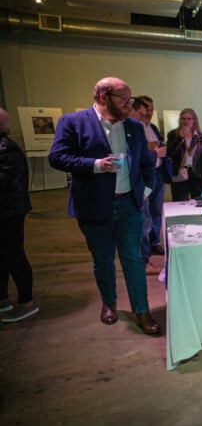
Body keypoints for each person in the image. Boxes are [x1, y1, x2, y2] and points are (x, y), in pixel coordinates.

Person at [48, 77, 159, 335]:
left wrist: (147, 191)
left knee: (133, 258)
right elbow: (57, 157)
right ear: (102, 97)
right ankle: (109, 303)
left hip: (129, 205)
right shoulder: (73, 122)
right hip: (95, 206)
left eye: (129, 99)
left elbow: (146, 161)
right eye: (123, 99)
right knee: (103, 259)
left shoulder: (132, 126)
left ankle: (141, 311)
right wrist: (95, 165)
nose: (128, 104)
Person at [0, 108, 38, 322]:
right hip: (7, 210)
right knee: (4, 256)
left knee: (14, 255)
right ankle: (3, 299)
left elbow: (6, 181)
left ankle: (27, 302)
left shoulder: (6, 149)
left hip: (9, 212)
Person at [129, 96, 169, 275]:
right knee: (144, 219)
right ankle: (143, 259)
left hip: (157, 175)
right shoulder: (132, 128)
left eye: (151, 110)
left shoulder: (151, 127)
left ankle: (154, 244)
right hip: (142, 179)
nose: (149, 113)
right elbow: (138, 154)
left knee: (156, 212)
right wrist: (153, 151)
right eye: (145, 110)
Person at [166, 108, 202, 201]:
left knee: (199, 204)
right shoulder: (173, 135)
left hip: (197, 175)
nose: (186, 121)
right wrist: (180, 138)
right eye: (183, 118)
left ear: (194, 120)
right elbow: (170, 153)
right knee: (180, 204)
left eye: (189, 118)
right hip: (179, 175)